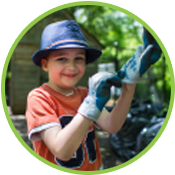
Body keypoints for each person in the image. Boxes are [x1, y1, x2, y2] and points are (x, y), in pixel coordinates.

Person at [25, 20, 161, 171]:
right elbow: (62, 151)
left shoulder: (84, 94)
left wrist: (129, 84)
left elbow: (112, 126)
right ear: (45, 64)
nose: (72, 66)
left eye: (79, 58)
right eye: (61, 58)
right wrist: (91, 105)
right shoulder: (39, 98)